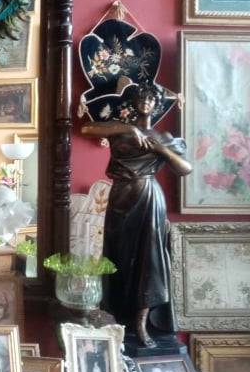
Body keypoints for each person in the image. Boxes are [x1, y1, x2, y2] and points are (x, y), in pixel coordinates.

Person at [81, 81, 193, 347]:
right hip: (120, 197)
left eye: (151, 98)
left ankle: (142, 323)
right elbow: (87, 128)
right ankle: (120, 318)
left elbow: (185, 168)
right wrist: (129, 128)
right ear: (132, 101)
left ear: (157, 105)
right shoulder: (118, 129)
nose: (146, 101)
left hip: (148, 197)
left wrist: (160, 149)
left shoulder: (163, 136)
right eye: (141, 96)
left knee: (149, 259)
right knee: (118, 257)